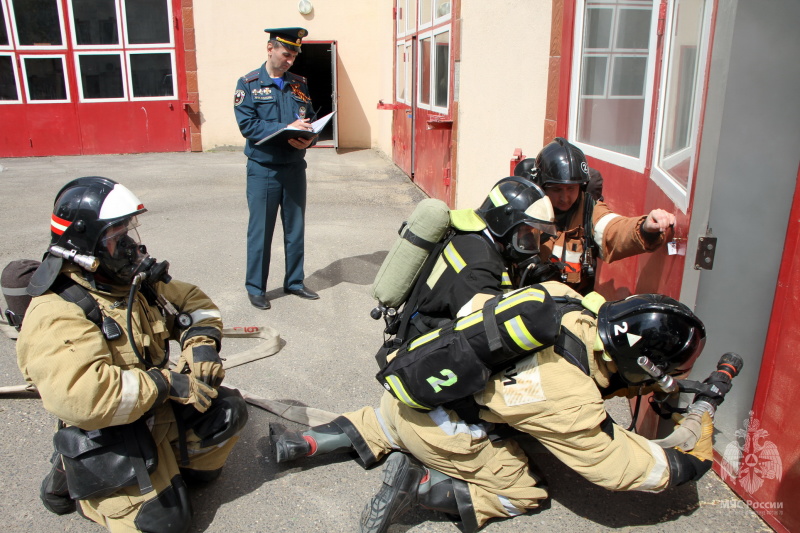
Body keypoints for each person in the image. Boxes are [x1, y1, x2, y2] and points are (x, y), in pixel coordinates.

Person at [271, 282, 714, 532]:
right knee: (525, 491)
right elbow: (617, 468)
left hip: (408, 395)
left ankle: (306, 443)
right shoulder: (567, 397)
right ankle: (423, 485)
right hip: (442, 430)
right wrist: (692, 452)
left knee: (385, 424)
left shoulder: (562, 298)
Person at [16, 177, 248, 533]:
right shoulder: (57, 311)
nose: (130, 245)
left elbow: (193, 302)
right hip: (110, 430)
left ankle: (172, 468)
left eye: (128, 231)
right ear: (85, 246)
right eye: (115, 237)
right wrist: (165, 382)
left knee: (226, 412)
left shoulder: (129, 282)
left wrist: (201, 343)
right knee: (166, 524)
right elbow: (84, 395)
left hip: (152, 411)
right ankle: (72, 471)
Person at [390, 176, 555, 343]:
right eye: (525, 232)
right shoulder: (479, 267)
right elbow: (486, 334)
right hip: (425, 352)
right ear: (504, 222)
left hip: (424, 328)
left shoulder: (472, 237)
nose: (529, 242)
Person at [514, 138, 676, 294]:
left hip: (572, 305)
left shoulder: (589, 211)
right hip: (528, 300)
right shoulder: (527, 209)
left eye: (571, 189)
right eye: (557, 190)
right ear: (542, 187)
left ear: (582, 187)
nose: (565, 198)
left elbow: (613, 229)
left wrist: (645, 227)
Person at [234, 27, 319, 310]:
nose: (290, 60)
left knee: (295, 229)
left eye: (294, 55)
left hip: (294, 167)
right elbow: (248, 125)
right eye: (286, 53)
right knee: (261, 230)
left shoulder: (299, 83)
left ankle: (294, 282)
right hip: (264, 169)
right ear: (270, 49)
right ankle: (256, 287)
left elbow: (311, 119)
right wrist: (286, 128)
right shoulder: (248, 83)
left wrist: (308, 139)